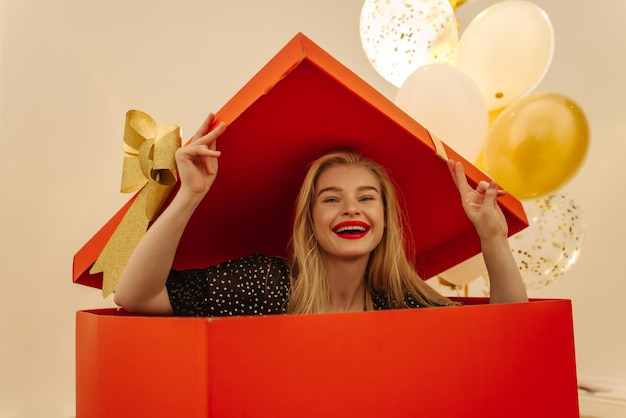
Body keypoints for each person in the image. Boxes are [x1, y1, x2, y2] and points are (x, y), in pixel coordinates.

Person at [113, 114, 528, 316]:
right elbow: (136, 296)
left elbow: (508, 332)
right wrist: (189, 196)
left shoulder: (401, 303)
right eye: (331, 199)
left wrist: (492, 237)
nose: (351, 208)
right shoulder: (267, 284)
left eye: (367, 198)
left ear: (385, 220)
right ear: (309, 220)